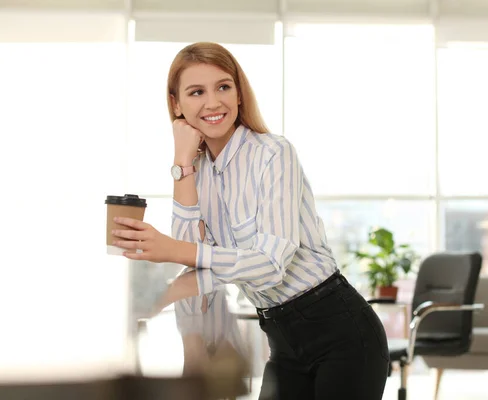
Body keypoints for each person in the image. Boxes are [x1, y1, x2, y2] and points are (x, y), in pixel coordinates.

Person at [111, 42, 390, 400]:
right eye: (197, 92)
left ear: (239, 94)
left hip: (341, 333)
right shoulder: (197, 172)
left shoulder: (274, 154)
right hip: (282, 342)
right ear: (177, 104)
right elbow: (190, 252)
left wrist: (176, 264)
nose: (213, 103)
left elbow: (270, 265)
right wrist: (182, 162)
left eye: (223, 87)